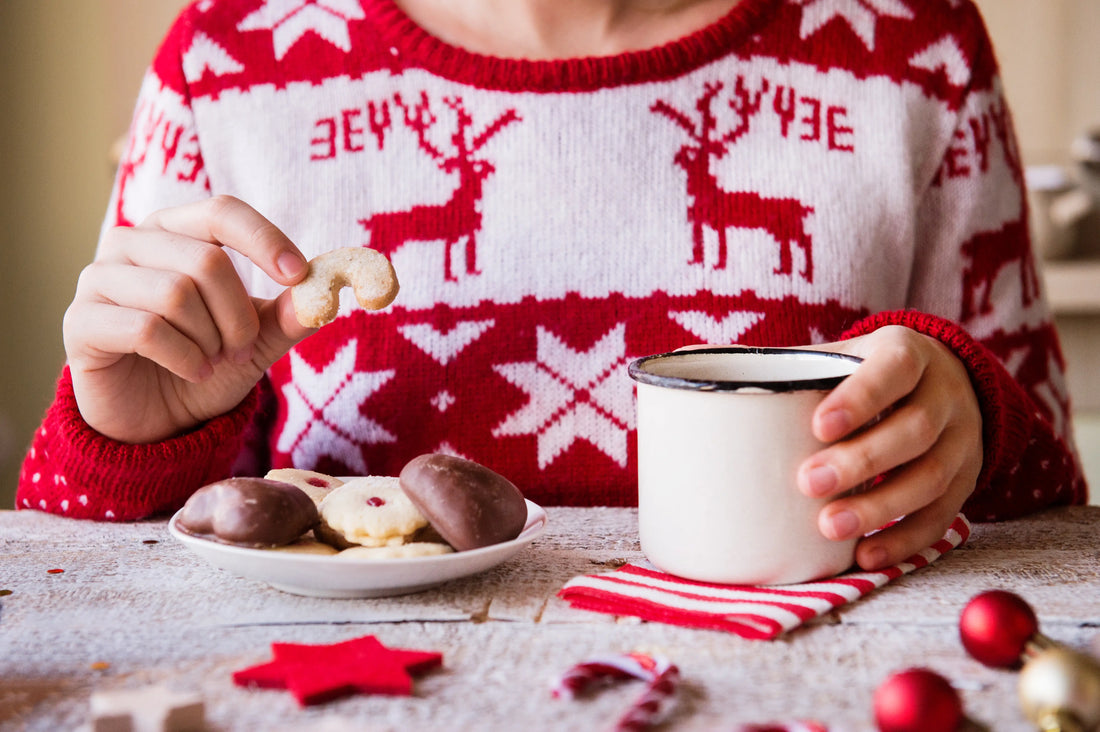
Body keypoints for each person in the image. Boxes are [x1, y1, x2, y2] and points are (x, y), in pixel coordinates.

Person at [17, 0, 1087, 572]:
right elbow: (99, 582)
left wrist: (972, 417)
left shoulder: (910, 47)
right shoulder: (229, 66)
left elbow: (1043, 521)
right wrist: (133, 446)